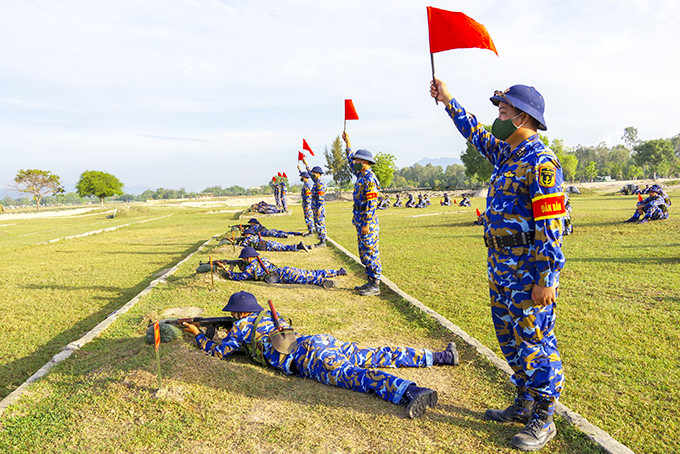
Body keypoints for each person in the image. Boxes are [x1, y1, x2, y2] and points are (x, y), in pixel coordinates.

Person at [431, 79, 565, 451]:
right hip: (501, 267)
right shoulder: (508, 156)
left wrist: (546, 278)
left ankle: (544, 415)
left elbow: (551, 226)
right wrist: (448, 100)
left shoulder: (540, 162)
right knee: (510, 339)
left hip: (528, 270)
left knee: (535, 341)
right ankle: (523, 401)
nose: (498, 118)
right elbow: (474, 133)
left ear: (523, 116)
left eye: (503, 111)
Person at [182, 291, 460, 419]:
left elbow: (218, 353)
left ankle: (412, 391)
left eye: (233, 314)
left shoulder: (241, 328)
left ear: (238, 314)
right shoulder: (265, 318)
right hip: (318, 341)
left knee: (353, 376)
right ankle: (441, 357)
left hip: (308, 357)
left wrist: (197, 334)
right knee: (376, 355)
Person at [342, 132, 382, 297]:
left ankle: (375, 284)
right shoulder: (361, 175)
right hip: (360, 219)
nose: (355, 163)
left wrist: (366, 223)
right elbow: (350, 158)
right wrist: (348, 142)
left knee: (370, 250)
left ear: (364, 162)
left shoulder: (369, 179)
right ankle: (370, 280)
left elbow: (372, 204)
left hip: (367, 221)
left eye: (358, 161)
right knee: (363, 251)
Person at [219, 247, 344, 288]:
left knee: (305, 279)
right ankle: (336, 272)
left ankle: (325, 282)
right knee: (309, 272)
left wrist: (226, 269)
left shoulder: (251, 267)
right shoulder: (262, 260)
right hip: (283, 270)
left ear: (247, 258)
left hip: (282, 275)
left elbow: (240, 277)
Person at [302, 157, 327, 248]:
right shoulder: (316, 182)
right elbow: (308, 172)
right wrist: (306, 164)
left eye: (313, 173)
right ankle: (320, 239)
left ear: (317, 174)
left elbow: (321, 198)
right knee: (317, 223)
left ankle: (323, 241)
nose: (311, 175)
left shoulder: (320, 183)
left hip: (319, 207)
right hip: (315, 206)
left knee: (320, 223)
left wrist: (319, 208)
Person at [239, 228, 310, 252]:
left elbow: (242, 246)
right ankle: (306, 246)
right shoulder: (256, 236)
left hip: (265, 246)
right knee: (283, 245)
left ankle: (298, 246)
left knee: (283, 248)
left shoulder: (248, 238)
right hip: (267, 242)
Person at [298, 167, 316, 236]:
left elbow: (308, 196)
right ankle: (310, 230)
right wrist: (299, 169)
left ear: (304, 177)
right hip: (305, 204)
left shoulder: (307, 185)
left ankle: (311, 232)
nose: (301, 178)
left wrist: (308, 205)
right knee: (307, 217)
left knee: (308, 217)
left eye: (302, 177)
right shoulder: (306, 184)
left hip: (307, 204)